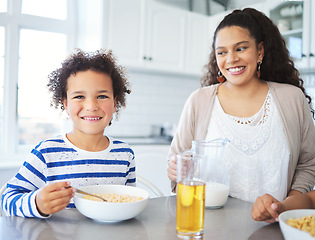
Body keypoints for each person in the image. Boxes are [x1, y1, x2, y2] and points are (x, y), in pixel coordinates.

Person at [167, 7, 315, 218]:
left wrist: (284, 208)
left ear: (260, 51)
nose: (231, 59)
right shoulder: (198, 101)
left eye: (241, 48)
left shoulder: (292, 99)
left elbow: (308, 164)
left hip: (274, 227)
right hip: (211, 226)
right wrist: (176, 170)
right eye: (222, 52)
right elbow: (177, 162)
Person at [1, 49, 134, 218]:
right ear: (66, 104)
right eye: (79, 96)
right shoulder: (47, 152)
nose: (91, 106)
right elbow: (7, 199)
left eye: (102, 96)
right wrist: (37, 204)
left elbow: (129, 202)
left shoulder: (125, 154)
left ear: (115, 103)